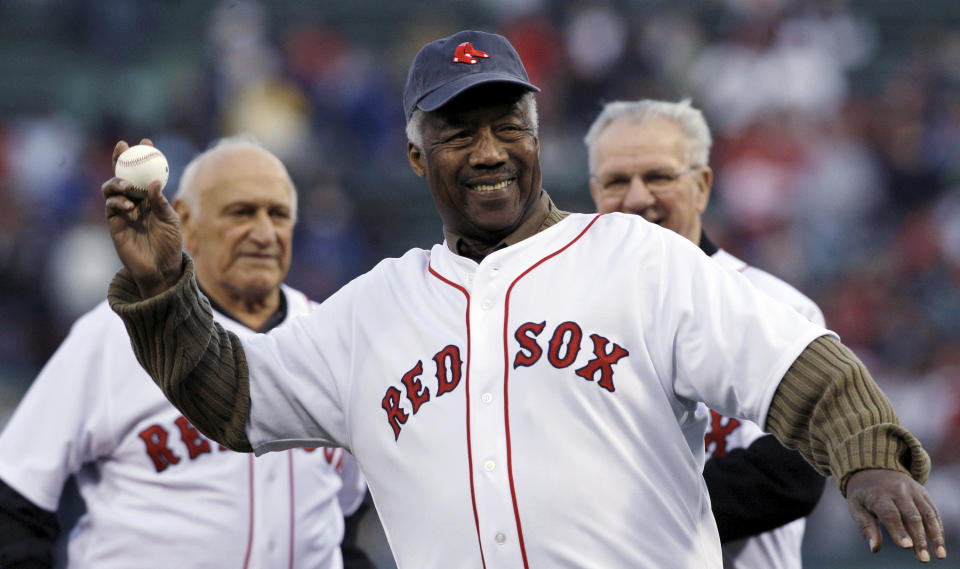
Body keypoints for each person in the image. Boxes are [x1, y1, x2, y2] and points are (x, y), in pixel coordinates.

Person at [101, 30, 946, 569]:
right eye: (458, 132)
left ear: (538, 136)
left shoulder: (636, 258)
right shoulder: (373, 310)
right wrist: (158, 286)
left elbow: (796, 364)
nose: (489, 150)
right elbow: (231, 397)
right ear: (414, 158)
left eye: (508, 123)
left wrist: (867, 451)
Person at [0, 137, 373, 569]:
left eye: (279, 214)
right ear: (186, 222)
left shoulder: (330, 335)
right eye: (242, 212)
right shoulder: (116, 331)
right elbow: (15, 496)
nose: (264, 232)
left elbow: (346, 514)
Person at [584, 98, 826, 569]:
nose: (636, 199)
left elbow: (793, 473)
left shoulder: (779, 307)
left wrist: (624, 524)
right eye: (616, 181)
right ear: (595, 193)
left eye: (658, 176)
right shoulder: (569, 316)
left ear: (702, 185)